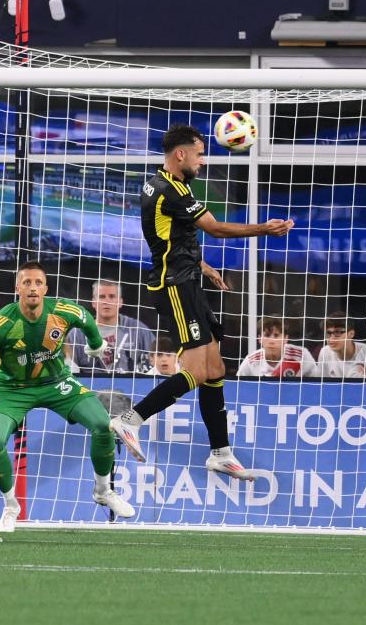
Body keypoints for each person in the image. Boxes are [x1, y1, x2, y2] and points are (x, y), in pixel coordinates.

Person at [109, 124, 293, 480]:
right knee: (195, 371)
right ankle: (130, 419)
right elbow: (216, 228)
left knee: (215, 370)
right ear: (180, 154)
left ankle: (221, 453)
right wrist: (264, 229)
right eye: (199, 154)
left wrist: (204, 267)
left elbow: (170, 241)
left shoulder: (161, 184)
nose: (202, 162)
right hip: (174, 288)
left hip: (188, 280)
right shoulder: (170, 190)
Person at [0, 261, 134, 531]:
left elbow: (86, 319)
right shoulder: (1, 323)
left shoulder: (63, 310)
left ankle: (103, 491)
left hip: (57, 384)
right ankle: (10, 506)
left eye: (38, 283)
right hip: (12, 389)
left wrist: (95, 344)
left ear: (46, 288)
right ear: (17, 287)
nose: (33, 288)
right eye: (27, 282)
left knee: (103, 425)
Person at [66, 279, 155, 373]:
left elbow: (155, 366)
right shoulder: (77, 334)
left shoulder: (139, 330)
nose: (107, 301)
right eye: (102, 297)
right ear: (93, 302)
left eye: (112, 296)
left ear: (120, 302)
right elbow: (68, 370)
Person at [237, 316, 317, 378]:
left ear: (286, 338)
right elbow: (238, 386)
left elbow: (318, 383)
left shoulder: (301, 355)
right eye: (267, 335)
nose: (271, 340)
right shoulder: (251, 361)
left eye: (276, 335)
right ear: (259, 339)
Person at [315, 312, 366, 378]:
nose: (331, 338)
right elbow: (322, 385)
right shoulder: (325, 352)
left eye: (337, 332)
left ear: (351, 334)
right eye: (328, 333)